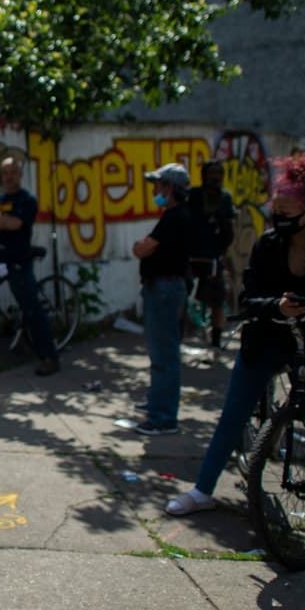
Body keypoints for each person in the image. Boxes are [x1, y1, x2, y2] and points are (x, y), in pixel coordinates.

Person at [165, 155, 305, 517]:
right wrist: (277, 306)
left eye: (287, 212)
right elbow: (249, 296)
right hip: (265, 341)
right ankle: (202, 490)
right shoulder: (269, 243)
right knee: (233, 414)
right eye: (276, 209)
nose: (279, 218)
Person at [0, 157, 60, 375]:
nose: (8, 176)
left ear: (20, 175)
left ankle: (49, 357)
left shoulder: (27, 200)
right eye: (5, 172)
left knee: (32, 308)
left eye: (13, 172)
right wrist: (0, 223)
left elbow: (16, 225)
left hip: (17, 262)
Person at [131, 162, 192, 435]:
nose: (155, 190)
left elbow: (143, 249)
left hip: (165, 291)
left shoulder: (176, 217)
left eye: (159, 185)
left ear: (170, 188)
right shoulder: (173, 217)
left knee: (165, 354)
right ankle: (158, 403)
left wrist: (141, 247)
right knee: (159, 353)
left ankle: (163, 417)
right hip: (163, 289)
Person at [186, 160, 236, 347]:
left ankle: (216, 341)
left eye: (219, 174)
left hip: (213, 257)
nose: (215, 177)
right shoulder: (194, 196)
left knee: (217, 301)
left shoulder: (225, 198)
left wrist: (222, 248)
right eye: (212, 173)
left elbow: (229, 231)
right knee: (185, 296)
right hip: (192, 256)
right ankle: (184, 333)